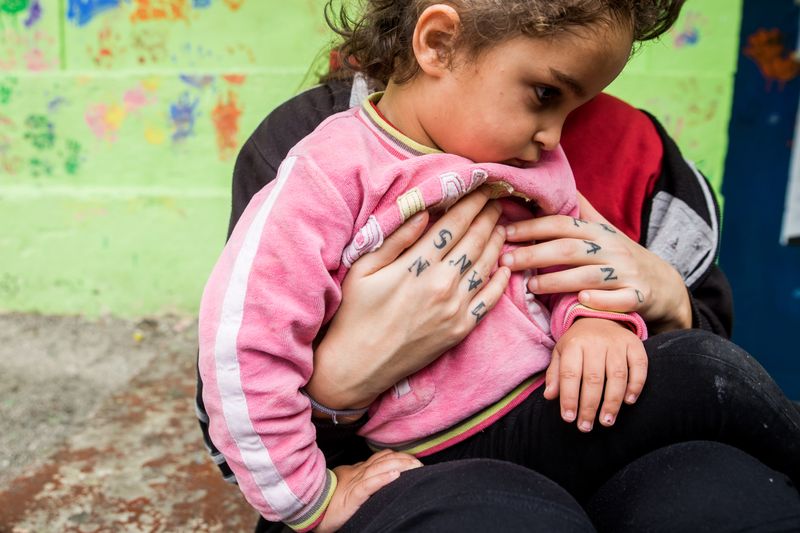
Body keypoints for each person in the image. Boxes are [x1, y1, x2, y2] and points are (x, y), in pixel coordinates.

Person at [194, 2, 800, 532]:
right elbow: (241, 358)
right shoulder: (321, 166)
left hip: (564, 416)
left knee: (705, 368)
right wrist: (314, 489)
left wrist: (608, 317)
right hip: (426, 461)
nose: (553, 137)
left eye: (577, 104)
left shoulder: (577, 155)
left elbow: (568, 263)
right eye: (546, 95)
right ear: (438, 43)